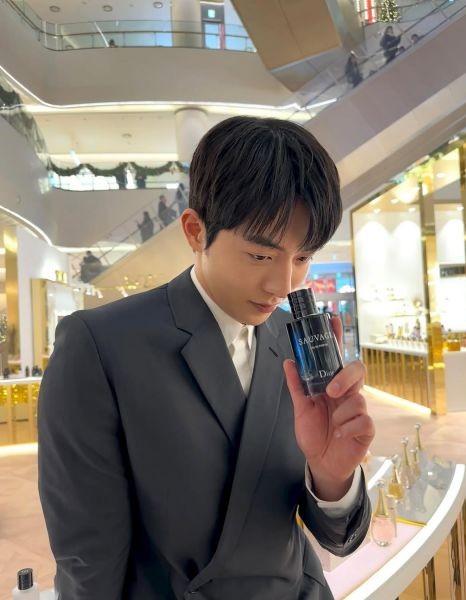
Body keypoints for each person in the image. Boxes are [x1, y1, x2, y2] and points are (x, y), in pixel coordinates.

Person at [38, 116, 374, 600]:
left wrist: (333, 476)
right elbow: (88, 562)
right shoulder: (101, 346)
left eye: (302, 257)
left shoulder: (296, 340)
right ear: (196, 231)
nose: (284, 285)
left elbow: (337, 536)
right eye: (260, 256)